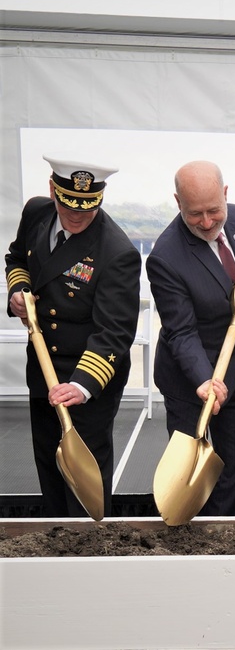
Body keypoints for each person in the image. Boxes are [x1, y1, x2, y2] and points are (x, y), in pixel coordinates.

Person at [5, 156, 141, 517]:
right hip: (43, 367)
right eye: (68, 204)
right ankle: (55, 542)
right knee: (49, 463)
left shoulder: (117, 252)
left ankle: (89, 549)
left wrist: (80, 386)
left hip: (88, 378)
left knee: (85, 479)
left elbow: (115, 333)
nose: (77, 215)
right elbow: (17, 258)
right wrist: (19, 292)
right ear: (53, 191)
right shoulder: (36, 212)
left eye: (87, 207)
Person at [146, 160, 235, 516]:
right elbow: (181, 331)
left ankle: (228, 544)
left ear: (225, 194)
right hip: (191, 381)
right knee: (195, 477)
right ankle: (194, 550)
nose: (206, 222)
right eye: (195, 214)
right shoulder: (165, 257)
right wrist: (204, 380)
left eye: (213, 210)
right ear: (177, 202)